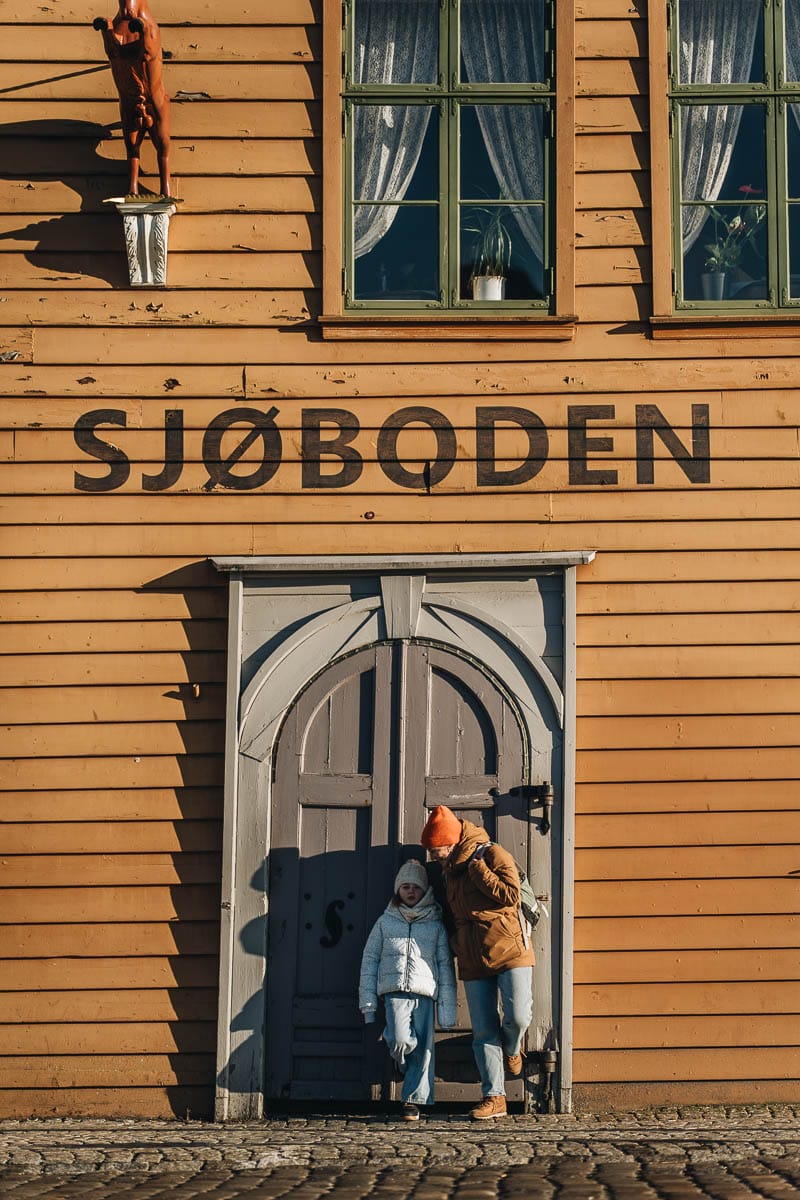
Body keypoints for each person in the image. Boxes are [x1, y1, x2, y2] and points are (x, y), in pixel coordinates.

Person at [420, 804, 534, 1121]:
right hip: (472, 958)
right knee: (483, 1031)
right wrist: (457, 943)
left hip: (509, 950)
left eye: (437, 850)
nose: (434, 857)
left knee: (519, 1016)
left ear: (453, 841)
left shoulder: (492, 854)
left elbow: (510, 895)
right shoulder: (447, 872)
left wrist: (478, 870)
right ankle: (494, 1097)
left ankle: (512, 1049)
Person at [358, 858, 457, 1121]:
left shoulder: (435, 925)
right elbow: (370, 961)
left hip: (425, 995)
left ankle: (413, 1101)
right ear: (397, 891)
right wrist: (368, 1004)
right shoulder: (385, 922)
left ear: (425, 891)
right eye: (405, 887)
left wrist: (447, 1013)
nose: (411, 892)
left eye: (416, 887)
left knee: (425, 1049)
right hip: (395, 994)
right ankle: (401, 1063)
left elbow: (446, 968)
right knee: (400, 1040)